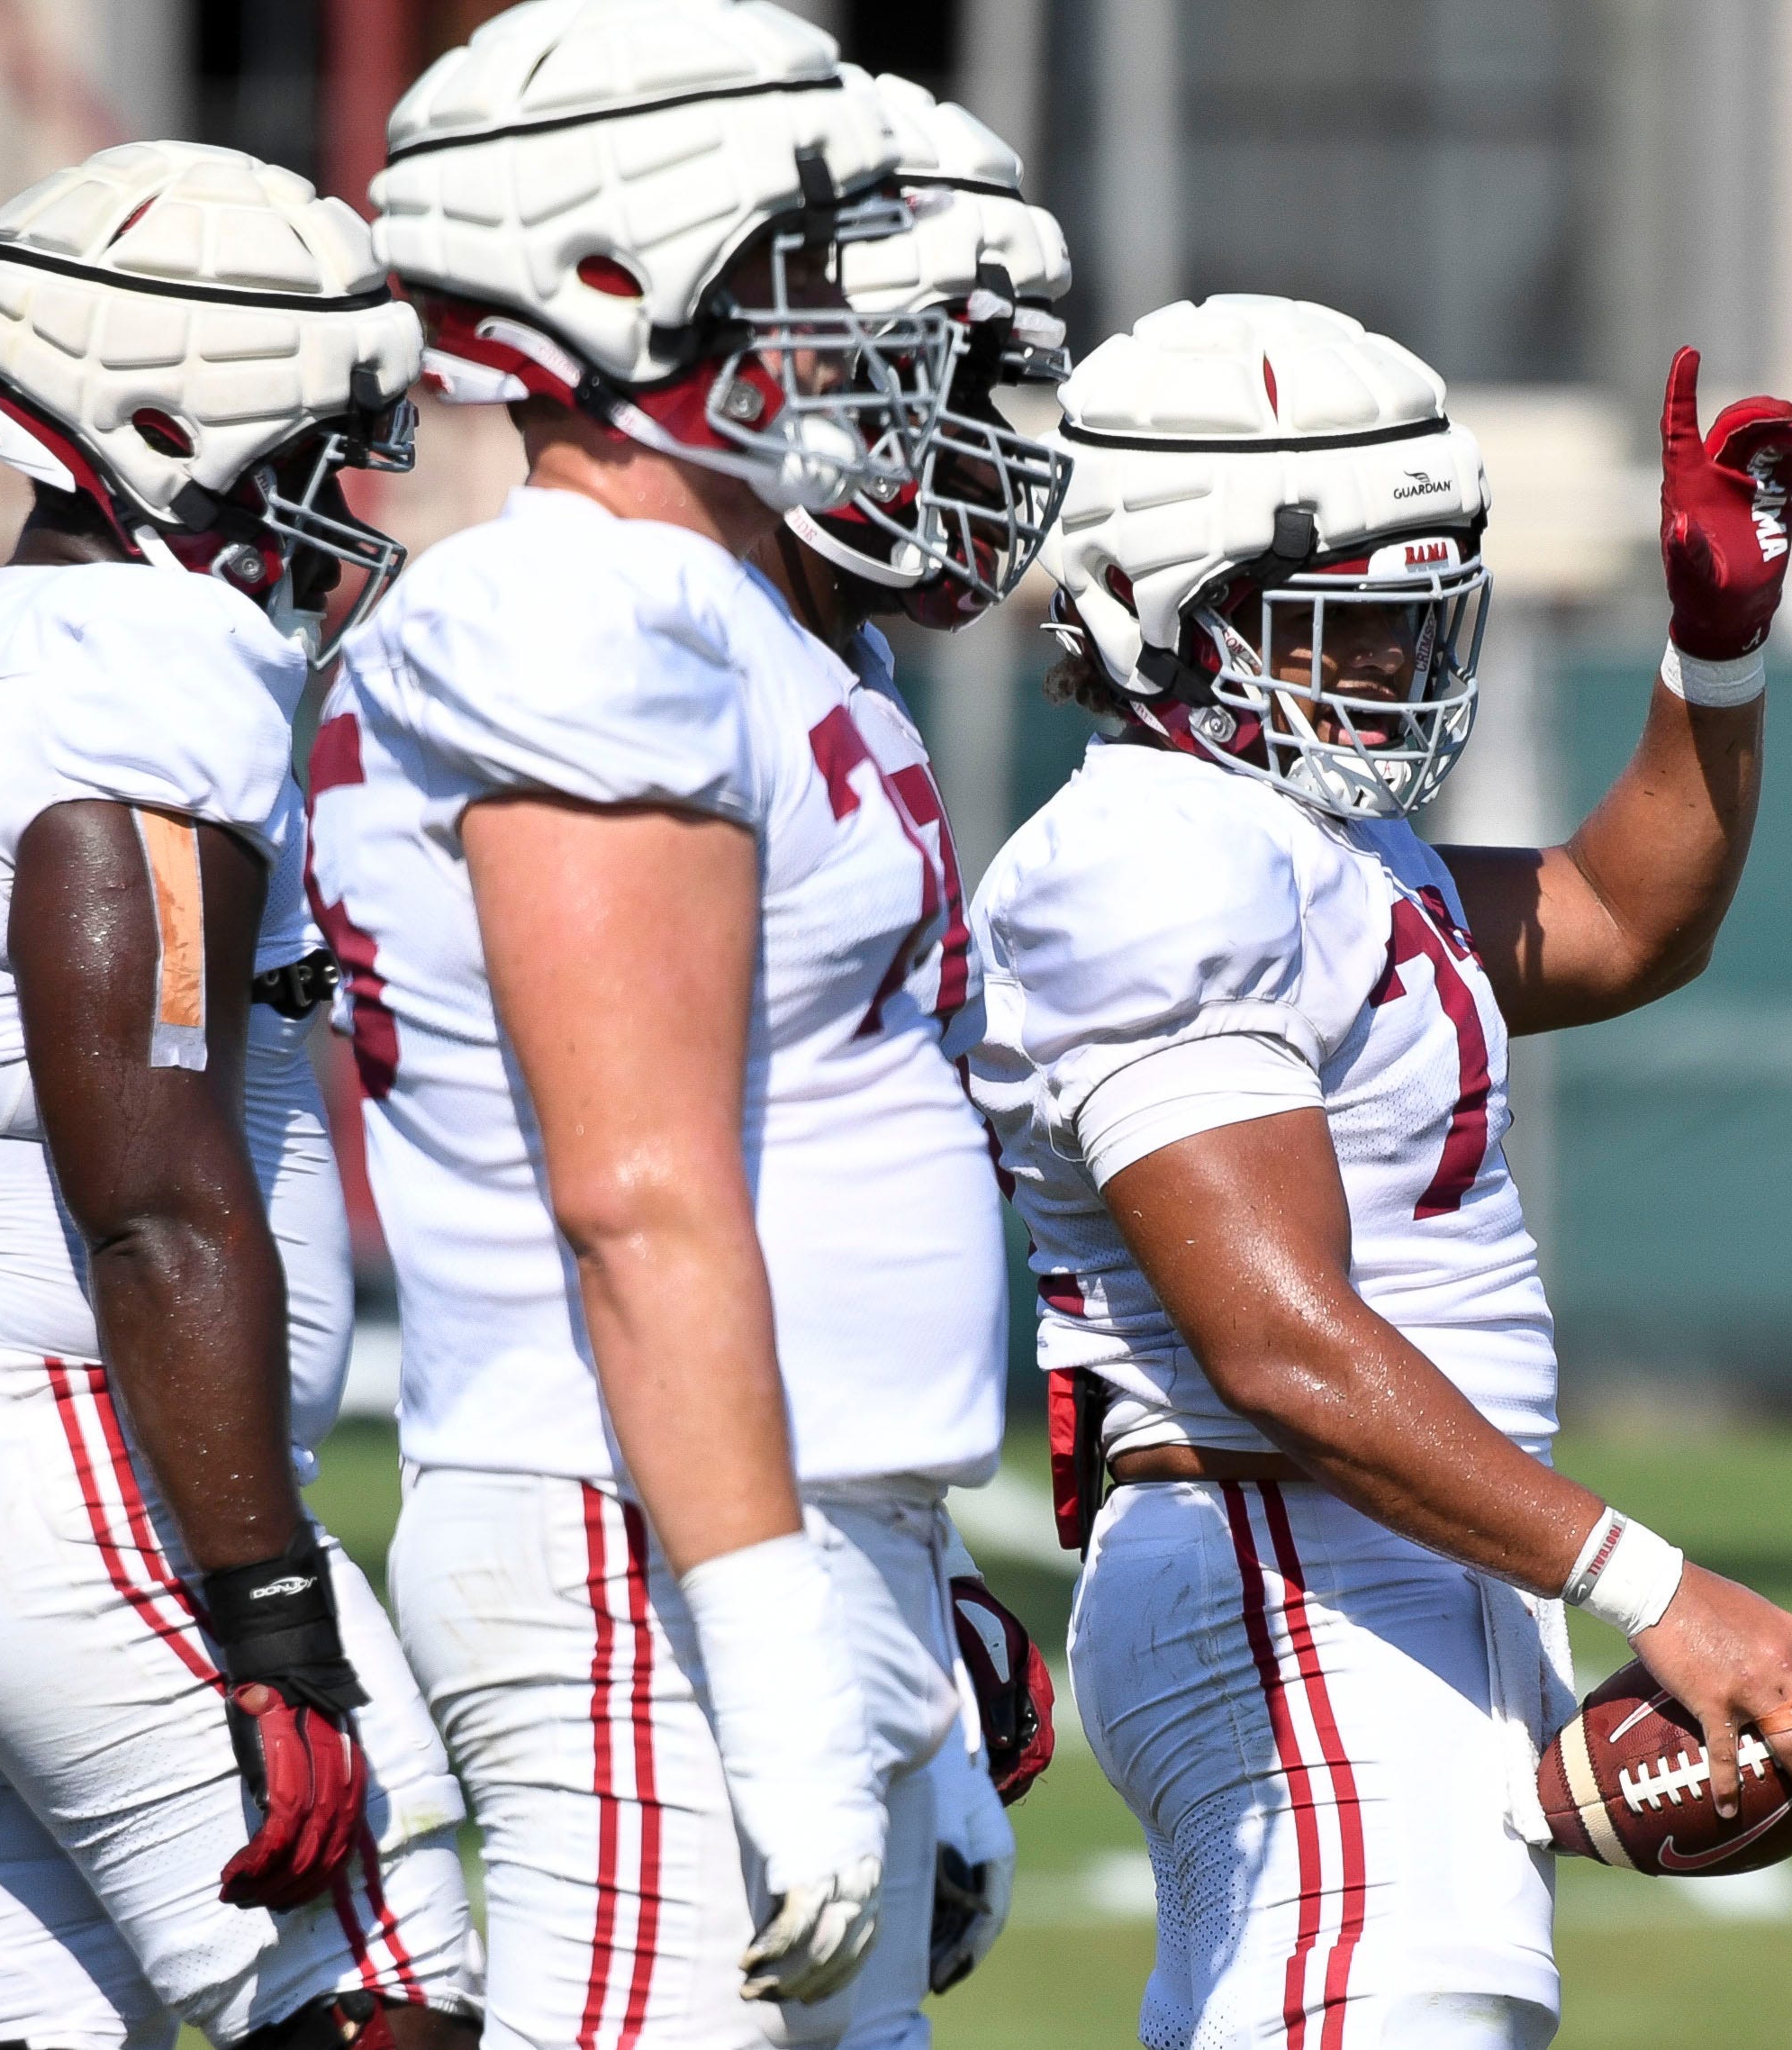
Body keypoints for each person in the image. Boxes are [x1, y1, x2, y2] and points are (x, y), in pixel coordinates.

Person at [970, 295, 1792, 2050]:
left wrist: (1715, 649)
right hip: (1294, 1560)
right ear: (1151, 610)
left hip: (1364, 1561)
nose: (1398, 666)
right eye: (1343, 621)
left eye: (1417, 618)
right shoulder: (1155, 856)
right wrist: (1655, 1583)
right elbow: (1281, 1344)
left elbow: (1626, 918)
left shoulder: (1297, 839)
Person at [0, 141, 477, 2050]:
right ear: (165, 416)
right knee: (385, 1991)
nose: (342, 506)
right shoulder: (156, 662)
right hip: (71, 1454)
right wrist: (267, 1602)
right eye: (311, 449)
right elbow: (152, 1182)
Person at [316, 5, 1001, 2044]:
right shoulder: (572, 608)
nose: (854, 317)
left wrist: (907, 1656)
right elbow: (638, 1190)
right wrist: (782, 1664)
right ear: (617, 286)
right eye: (800, 265)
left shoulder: (737, 609)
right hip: (638, 1542)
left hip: (763, 1526)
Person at [738, 67, 1077, 2004]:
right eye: (940, 376)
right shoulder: (669, 649)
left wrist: (921, 1567)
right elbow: (629, 1184)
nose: (982, 441)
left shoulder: (827, 654)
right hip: (699, 1531)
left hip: (829, 1508)